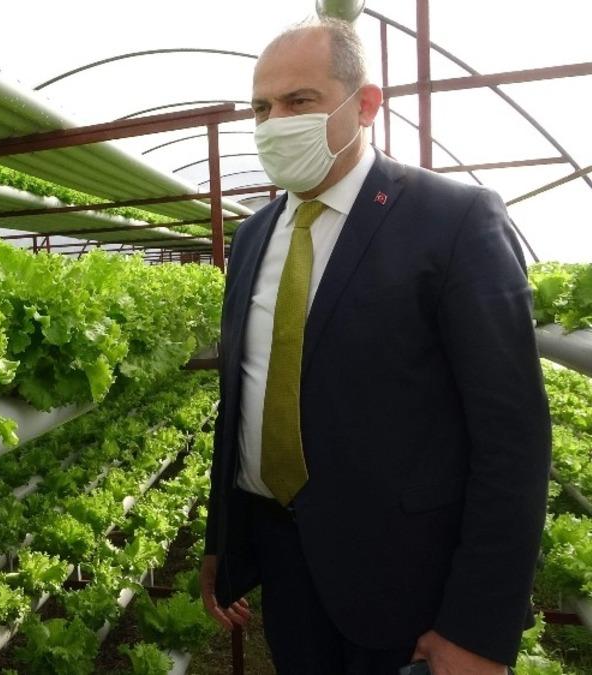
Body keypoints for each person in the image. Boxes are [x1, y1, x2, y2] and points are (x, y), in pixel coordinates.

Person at [198, 18, 551, 675]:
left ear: (364, 105)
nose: (275, 123)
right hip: (284, 561)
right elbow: (244, 395)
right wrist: (225, 539)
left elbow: (513, 439)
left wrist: (476, 629)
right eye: (261, 108)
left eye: (299, 101)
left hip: (407, 582)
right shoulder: (252, 238)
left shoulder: (453, 221)